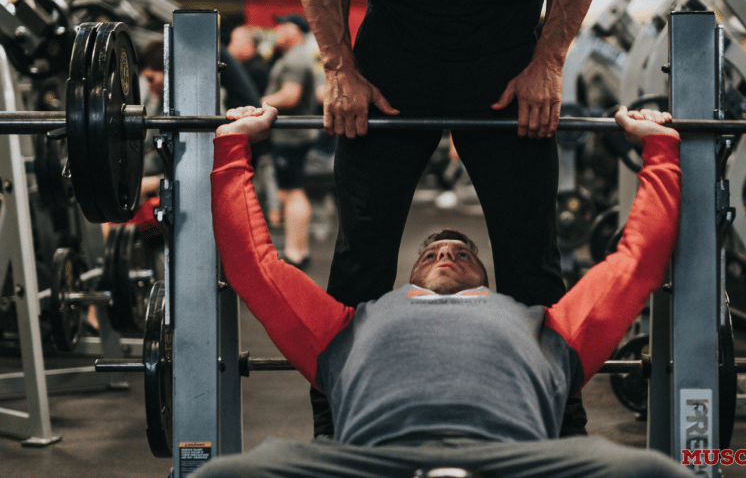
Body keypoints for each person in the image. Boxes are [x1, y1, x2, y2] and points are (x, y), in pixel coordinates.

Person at [192, 102, 688, 477]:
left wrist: (659, 147)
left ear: (491, 284)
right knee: (221, 474)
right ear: (408, 280)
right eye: (431, 255)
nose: (446, 255)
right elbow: (254, 266)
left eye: (461, 254)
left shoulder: (547, 327)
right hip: (367, 461)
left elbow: (635, 264)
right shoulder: (346, 327)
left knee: (656, 472)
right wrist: (233, 141)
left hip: (520, 460)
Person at [297, 0, 604, 438]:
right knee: (360, 255)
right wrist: (339, 68)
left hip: (505, 52)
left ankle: (560, 427)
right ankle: (335, 425)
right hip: (394, 52)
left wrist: (550, 60)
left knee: (531, 258)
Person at [261, 14, 319, 268]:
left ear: (295, 30)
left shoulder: (295, 59)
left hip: (291, 137)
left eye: (282, 26)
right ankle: (298, 249)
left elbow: (290, 96)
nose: (277, 30)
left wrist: (258, 104)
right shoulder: (294, 56)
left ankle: (296, 253)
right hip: (291, 136)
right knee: (290, 192)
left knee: (291, 193)